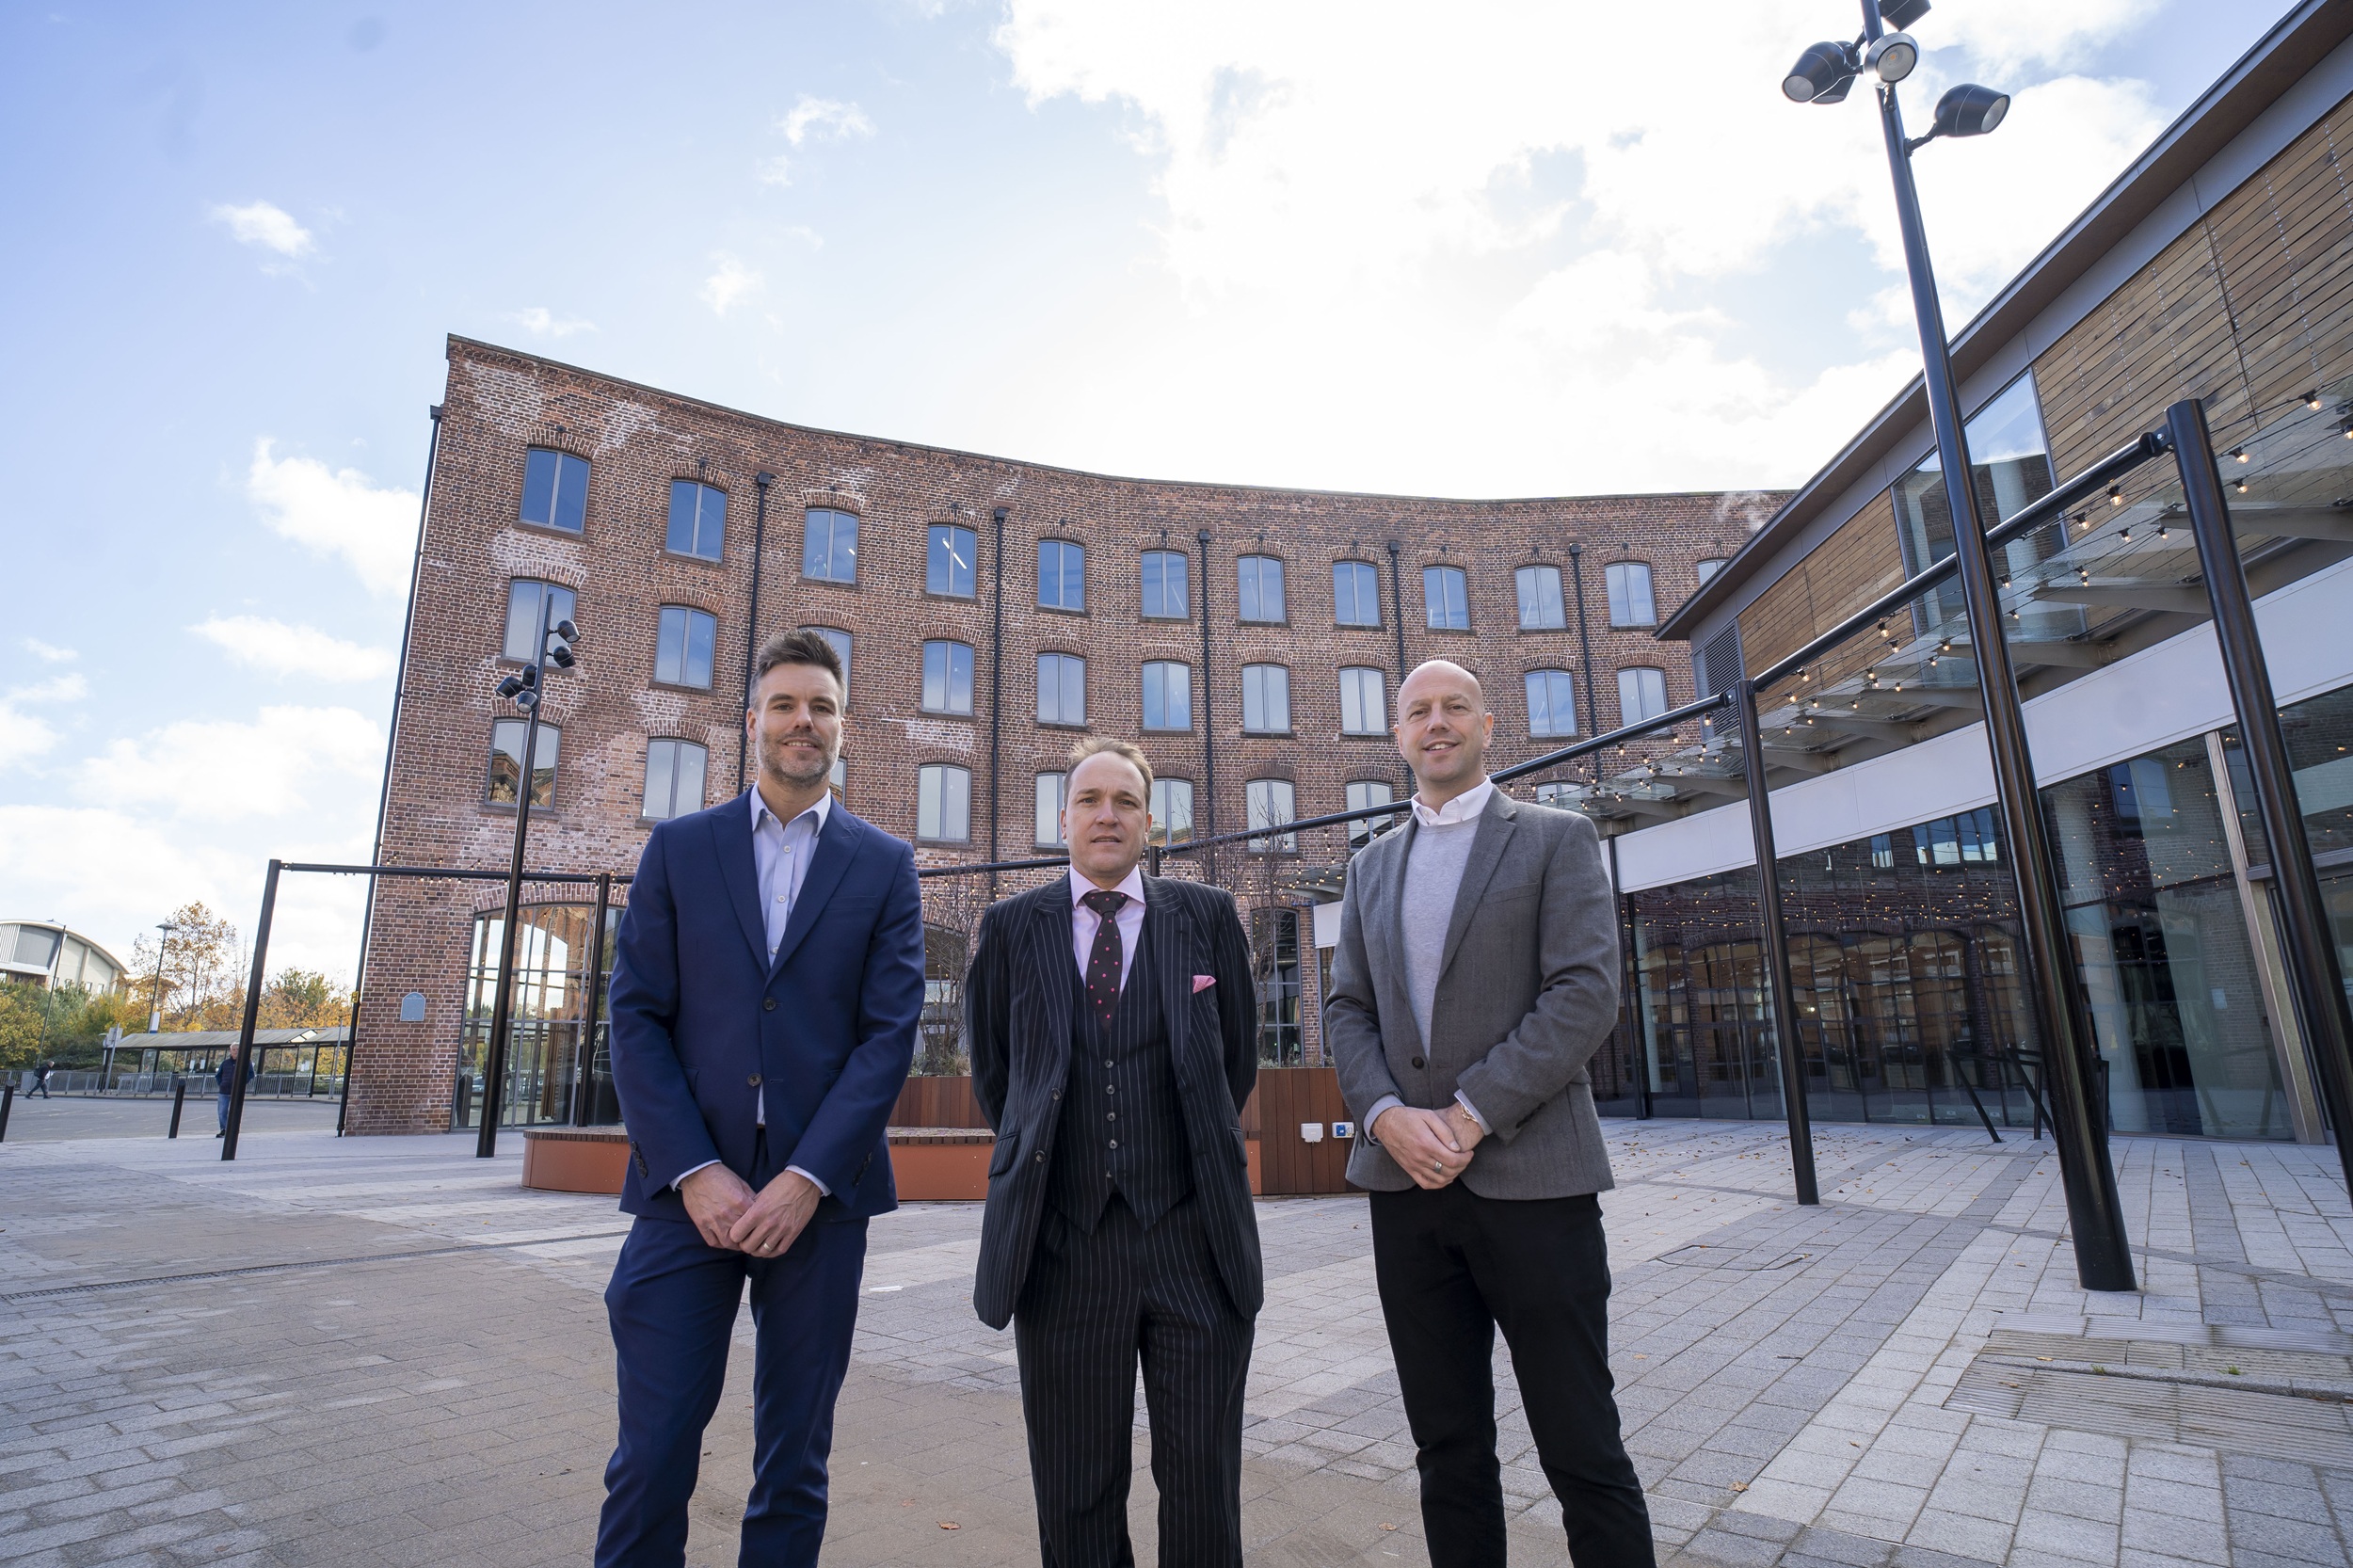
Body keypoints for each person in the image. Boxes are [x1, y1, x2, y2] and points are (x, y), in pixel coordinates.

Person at [597, 629, 925, 1568]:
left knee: (794, 1463)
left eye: (819, 705)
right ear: (752, 722)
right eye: (784, 703)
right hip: (682, 1202)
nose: (802, 720)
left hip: (818, 1208)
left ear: (842, 726)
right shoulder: (678, 850)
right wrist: (695, 1172)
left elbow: (884, 1037)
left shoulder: (883, 864)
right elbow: (637, 1018)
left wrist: (804, 1180)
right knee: (652, 1455)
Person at [1324, 659, 1653, 1568]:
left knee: (1582, 1447)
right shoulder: (1369, 868)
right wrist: (1386, 1114)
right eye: (1417, 711)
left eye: (1454, 707)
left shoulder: (1556, 839)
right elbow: (1347, 1010)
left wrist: (1468, 1117)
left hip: (1534, 1184)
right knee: (1448, 1451)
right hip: (1407, 1192)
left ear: (1487, 723)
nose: (1436, 723)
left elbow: (1585, 995)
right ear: (1396, 735)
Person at [965, 736, 1261, 1568]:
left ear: (1149, 819)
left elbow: (1234, 1063)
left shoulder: (1204, 917)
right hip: (1063, 1250)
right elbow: (1000, 1080)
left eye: (1124, 801)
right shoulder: (1010, 928)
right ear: (1062, 818)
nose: (1107, 815)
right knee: (1076, 1488)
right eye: (1090, 800)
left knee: (1203, 1483)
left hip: (1192, 1244)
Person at [214, 1050, 251, 1135]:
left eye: (238, 1049)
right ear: (231, 1052)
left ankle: (233, 1129)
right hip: (224, 1091)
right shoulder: (225, 1063)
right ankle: (224, 1129)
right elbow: (218, 1075)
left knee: (235, 1111)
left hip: (237, 1092)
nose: (236, 1051)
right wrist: (221, 1084)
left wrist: (242, 1083)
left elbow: (251, 1074)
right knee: (222, 1111)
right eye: (234, 1050)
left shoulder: (246, 1062)